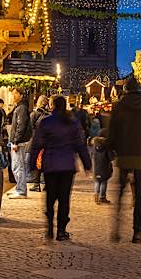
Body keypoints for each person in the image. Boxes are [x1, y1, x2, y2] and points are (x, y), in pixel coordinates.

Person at [29, 95, 91, 241]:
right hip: (67, 166)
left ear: (52, 105)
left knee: (50, 197)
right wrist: (87, 163)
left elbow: (37, 144)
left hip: (50, 165)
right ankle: (61, 230)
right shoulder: (72, 122)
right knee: (64, 198)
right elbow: (80, 144)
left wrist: (32, 164)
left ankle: (50, 227)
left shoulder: (46, 122)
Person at [106, 76, 141, 244]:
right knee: (140, 196)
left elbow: (112, 133)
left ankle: (116, 229)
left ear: (126, 90)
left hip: (124, 156)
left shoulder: (118, 107)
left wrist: (112, 150)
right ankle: (138, 232)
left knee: (120, 194)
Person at [8, 87, 31, 199]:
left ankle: (21, 190)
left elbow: (21, 125)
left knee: (18, 166)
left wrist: (16, 140)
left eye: (16, 93)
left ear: (21, 95)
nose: (14, 96)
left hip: (19, 142)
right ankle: (19, 188)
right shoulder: (20, 107)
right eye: (13, 94)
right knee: (16, 166)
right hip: (18, 141)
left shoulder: (21, 108)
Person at [28, 95, 50, 193]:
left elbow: (30, 128)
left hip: (36, 142)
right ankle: (46, 184)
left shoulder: (34, 114)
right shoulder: (49, 115)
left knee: (37, 162)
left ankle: (36, 184)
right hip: (47, 142)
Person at [92, 128, 113, 204]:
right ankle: (102, 197)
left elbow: (93, 154)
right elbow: (111, 157)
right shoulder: (107, 145)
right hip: (105, 167)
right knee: (104, 182)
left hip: (96, 166)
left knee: (97, 181)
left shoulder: (95, 145)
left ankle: (96, 194)